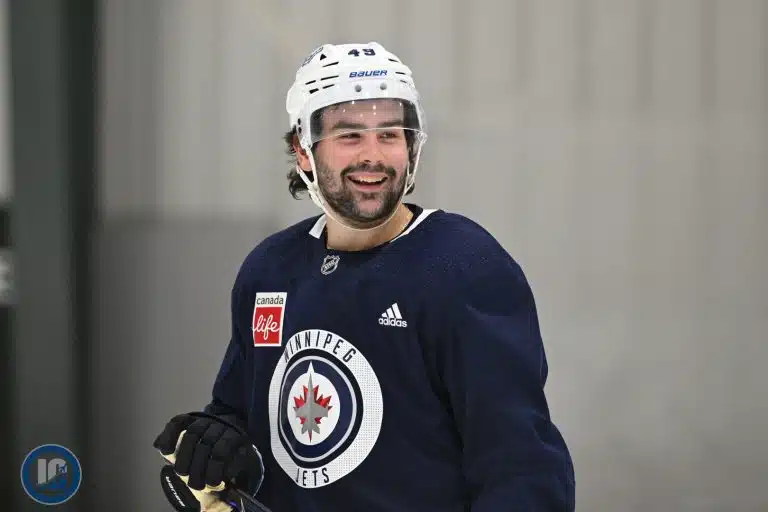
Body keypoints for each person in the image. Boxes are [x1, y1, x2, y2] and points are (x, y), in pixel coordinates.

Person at [153, 42, 575, 512]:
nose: (373, 155)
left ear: (411, 146)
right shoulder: (270, 270)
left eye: (390, 134)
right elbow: (243, 413)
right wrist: (222, 444)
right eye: (349, 135)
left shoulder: (463, 267)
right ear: (303, 150)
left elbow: (520, 465)